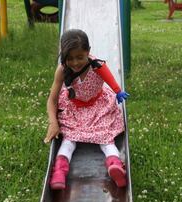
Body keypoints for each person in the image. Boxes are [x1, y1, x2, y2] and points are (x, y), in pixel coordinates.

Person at [44, 29, 130, 190]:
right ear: (63, 54)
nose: (75, 62)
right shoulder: (62, 69)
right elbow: (52, 100)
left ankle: (115, 165)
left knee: (106, 137)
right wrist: (53, 122)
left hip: (98, 107)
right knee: (69, 139)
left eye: (79, 57)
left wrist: (118, 92)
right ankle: (59, 172)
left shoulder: (96, 65)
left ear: (88, 52)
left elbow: (110, 79)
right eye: (70, 58)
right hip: (73, 108)